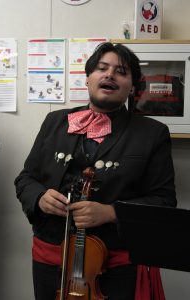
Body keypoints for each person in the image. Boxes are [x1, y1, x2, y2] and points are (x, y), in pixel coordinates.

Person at [14, 42, 177, 300]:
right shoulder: (55, 121)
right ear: (88, 78)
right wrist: (40, 197)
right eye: (102, 68)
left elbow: (164, 201)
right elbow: (26, 179)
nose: (109, 75)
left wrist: (111, 212)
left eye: (121, 71)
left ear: (133, 86)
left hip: (115, 266)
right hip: (51, 259)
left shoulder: (152, 133)